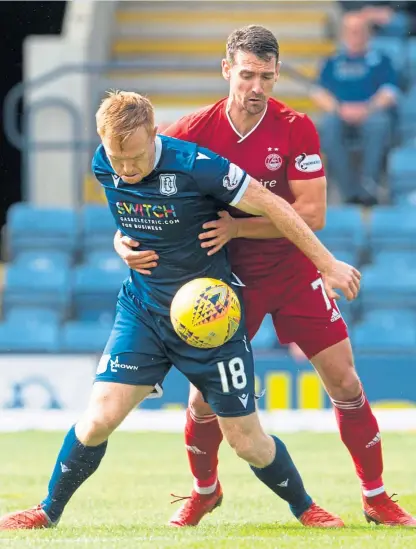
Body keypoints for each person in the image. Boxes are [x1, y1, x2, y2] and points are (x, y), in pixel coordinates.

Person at [0, 91, 360, 530]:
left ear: (155, 133)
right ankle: (47, 511)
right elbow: (133, 217)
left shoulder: (198, 165)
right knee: (97, 421)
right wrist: (121, 246)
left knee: (246, 442)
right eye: (117, 158)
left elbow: (274, 206)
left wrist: (327, 263)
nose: (125, 169)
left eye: (134, 157)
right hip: (145, 310)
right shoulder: (103, 163)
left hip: (209, 317)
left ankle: (305, 508)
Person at [114, 25, 416, 527]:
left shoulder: (296, 126)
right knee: (203, 400)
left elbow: (314, 213)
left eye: (267, 77)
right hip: (225, 284)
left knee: (345, 381)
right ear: (227, 69)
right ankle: (204, 491)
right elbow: (143, 202)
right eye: (248, 74)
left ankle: (376, 496)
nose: (257, 87)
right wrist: (121, 240)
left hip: (294, 273)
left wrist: (237, 226)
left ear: (277, 77)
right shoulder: (189, 132)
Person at [312, 12, 399, 206]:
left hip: (371, 113)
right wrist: (339, 109)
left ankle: (369, 185)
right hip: (339, 114)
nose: (354, 35)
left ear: (368, 33)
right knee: (327, 125)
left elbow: (390, 92)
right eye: (350, 31)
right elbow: (319, 93)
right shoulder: (332, 62)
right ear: (343, 34)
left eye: (359, 31)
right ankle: (349, 191)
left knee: (379, 123)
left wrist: (367, 108)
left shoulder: (381, 60)